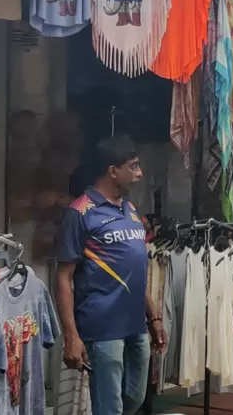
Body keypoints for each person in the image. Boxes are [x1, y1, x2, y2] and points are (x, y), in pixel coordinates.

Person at [56, 136, 167, 415]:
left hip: (135, 324)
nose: (140, 174)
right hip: (102, 327)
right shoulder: (80, 212)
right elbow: (64, 277)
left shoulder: (129, 209)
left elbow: (132, 269)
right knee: (110, 406)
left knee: (135, 397)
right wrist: (71, 336)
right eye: (134, 166)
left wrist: (153, 316)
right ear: (112, 170)